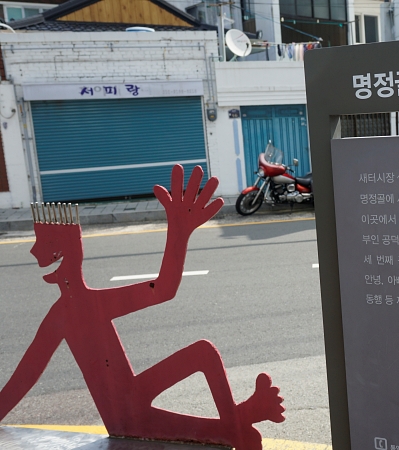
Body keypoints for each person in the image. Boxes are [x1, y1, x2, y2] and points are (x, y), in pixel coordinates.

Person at [0, 165, 284, 450]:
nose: (33, 251)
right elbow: (24, 378)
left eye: (43, 243)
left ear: (67, 251)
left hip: (132, 398)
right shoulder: (63, 315)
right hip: (124, 413)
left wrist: (179, 233)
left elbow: (163, 289)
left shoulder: (82, 307)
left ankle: (240, 420)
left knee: (204, 353)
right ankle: (240, 421)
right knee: (210, 383)